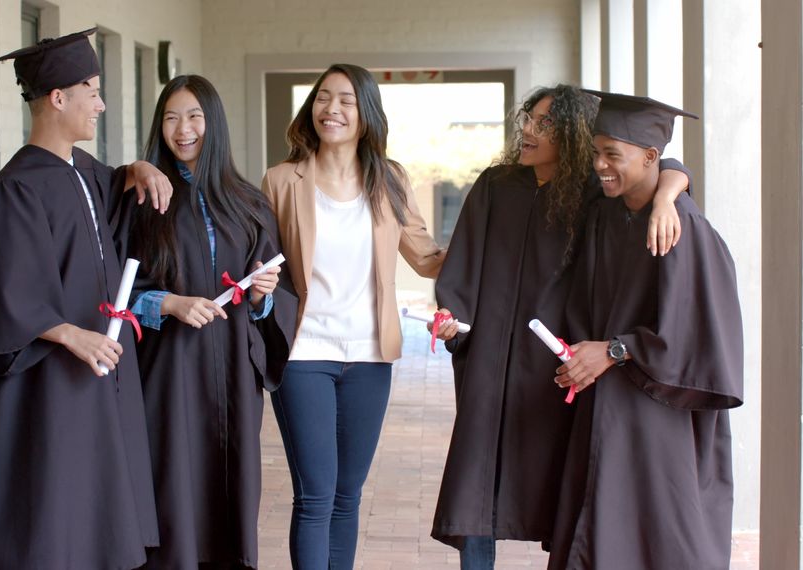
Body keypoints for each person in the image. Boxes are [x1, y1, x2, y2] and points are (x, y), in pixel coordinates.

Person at [0, 29, 175, 570]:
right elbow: (2, 290)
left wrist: (138, 169)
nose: (101, 103)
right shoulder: (13, 191)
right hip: (42, 389)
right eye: (93, 90)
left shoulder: (82, 173)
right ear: (59, 98)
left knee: (94, 520)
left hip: (90, 380)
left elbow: (110, 195)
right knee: (50, 523)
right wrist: (68, 333)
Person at [429, 84, 693, 570]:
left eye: (545, 123)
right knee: (475, 484)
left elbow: (665, 167)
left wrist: (667, 197)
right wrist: (452, 315)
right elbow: (464, 260)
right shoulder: (496, 185)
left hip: (559, 364)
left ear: (574, 132)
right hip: (489, 359)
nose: (529, 130)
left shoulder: (596, 192)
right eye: (528, 119)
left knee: (562, 487)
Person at [260, 63, 446, 569]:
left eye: (345, 100)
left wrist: (485, 250)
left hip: (369, 355)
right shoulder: (282, 180)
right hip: (303, 353)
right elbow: (261, 259)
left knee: (348, 495)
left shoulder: (389, 179)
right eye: (323, 97)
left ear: (366, 113)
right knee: (316, 495)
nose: (332, 109)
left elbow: (426, 256)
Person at [547, 91, 743, 570]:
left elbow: (698, 333)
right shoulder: (607, 211)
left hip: (658, 407)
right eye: (597, 152)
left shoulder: (683, 229)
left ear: (650, 157)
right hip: (607, 401)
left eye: (612, 154)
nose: (600, 165)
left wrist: (614, 351)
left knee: (655, 536)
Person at [122, 75, 298, 569]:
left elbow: (273, 294)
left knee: (231, 489)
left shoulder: (248, 203)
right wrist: (168, 303)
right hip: (170, 371)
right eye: (171, 117)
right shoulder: (144, 200)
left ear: (213, 122)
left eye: (194, 116)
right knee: (171, 486)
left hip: (234, 375)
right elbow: (116, 289)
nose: (183, 129)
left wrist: (261, 297)